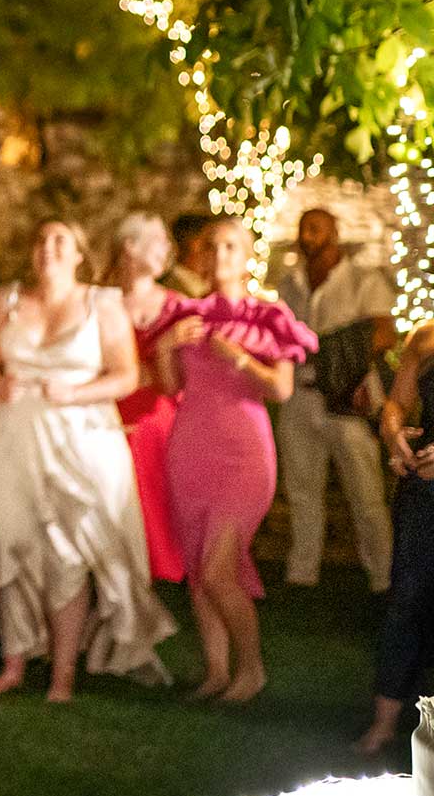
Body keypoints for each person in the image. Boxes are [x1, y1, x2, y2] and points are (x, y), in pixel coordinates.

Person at [0, 220, 174, 700]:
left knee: (67, 552)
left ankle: (62, 675)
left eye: (60, 240)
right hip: (13, 433)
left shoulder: (102, 304)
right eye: (40, 239)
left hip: (81, 437)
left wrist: (76, 392)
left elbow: (126, 376)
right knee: (13, 543)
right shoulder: (9, 300)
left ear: (79, 254)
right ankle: (14, 663)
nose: (48, 248)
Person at [149, 219, 314, 704]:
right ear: (200, 256)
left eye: (230, 246)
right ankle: (217, 673)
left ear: (246, 257)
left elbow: (281, 388)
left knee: (219, 569)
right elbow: (169, 386)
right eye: (212, 246)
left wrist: (238, 357)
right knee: (200, 571)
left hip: (243, 451)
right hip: (190, 446)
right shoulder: (187, 314)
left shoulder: (268, 316)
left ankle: (252, 669)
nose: (220, 254)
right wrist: (165, 346)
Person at [272, 207, 395, 591]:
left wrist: (339, 358)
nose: (308, 236)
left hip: (346, 397)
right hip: (301, 395)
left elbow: (383, 332)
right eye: (304, 229)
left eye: (316, 229)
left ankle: (383, 577)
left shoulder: (362, 278)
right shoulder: (289, 284)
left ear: (334, 233)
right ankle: (302, 574)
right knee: (303, 490)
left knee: (366, 494)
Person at [363, 318, 434, 753]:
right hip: (424, 487)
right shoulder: (424, 335)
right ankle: (384, 724)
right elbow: (397, 404)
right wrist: (393, 437)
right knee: (407, 598)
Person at [109, 214, 187, 584]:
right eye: (156, 239)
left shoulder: (177, 306)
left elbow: (177, 383)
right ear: (129, 246)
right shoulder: (102, 303)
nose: (166, 248)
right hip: (108, 413)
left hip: (158, 418)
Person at [161, 214, 214, 299]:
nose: (212, 252)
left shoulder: (202, 284)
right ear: (192, 244)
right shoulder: (176, 291)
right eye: (208, 243)